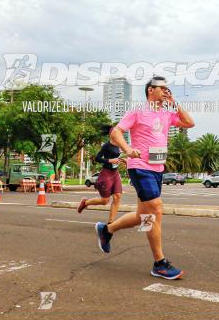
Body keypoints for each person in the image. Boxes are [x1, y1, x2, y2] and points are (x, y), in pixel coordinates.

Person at [95, 76, 194, 279]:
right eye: (162, 88)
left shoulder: (167, 114)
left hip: (157, 169)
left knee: (144, 216)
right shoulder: (138, 111)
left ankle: (107, 229)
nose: (166, 91)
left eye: (168, 89)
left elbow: (189, 123)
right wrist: (128, 149)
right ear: (151, 90)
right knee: (156, 209)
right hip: (140, 167)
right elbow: (116, 132)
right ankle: (159, 263)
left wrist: (175, 104)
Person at [77, 124, 124, 224]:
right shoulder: (106, 146)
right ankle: (85, 203)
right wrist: (109, 160)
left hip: (115, 173)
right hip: (106, 174)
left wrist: (122, 160)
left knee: (117, 196)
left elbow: (117, 157)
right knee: (105, 201)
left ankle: (110, 223)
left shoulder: (120, 145)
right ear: (111, 134)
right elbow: (97, 158)